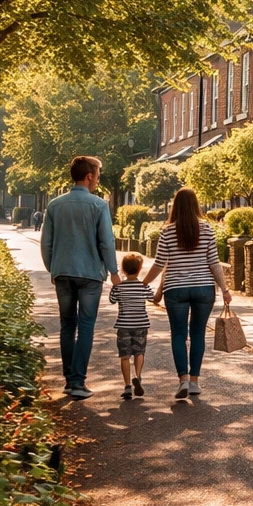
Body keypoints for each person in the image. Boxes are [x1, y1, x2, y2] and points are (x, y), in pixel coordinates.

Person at [40, 156, 119, 399]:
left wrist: (53, 267)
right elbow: (106, 242)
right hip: (90, 275)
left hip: (63, 272)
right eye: (97, 175)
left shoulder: (55, 205)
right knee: (85, 326)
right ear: (88, 176)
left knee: (67, 324)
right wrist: (114, 272)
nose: (97, 180)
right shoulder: (99, 205)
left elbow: (46, 242)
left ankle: (68, 379)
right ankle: (77, 381)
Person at [142, 187, 230, 400]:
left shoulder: (167, 231)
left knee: (179, 335)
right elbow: (214, 263)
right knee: (198, 334)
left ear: (176, 206)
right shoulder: (207, 229)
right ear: (195, 205)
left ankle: (182, 380)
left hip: (176, 290)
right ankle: (194, 382)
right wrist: (225, 289)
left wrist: (142, 283)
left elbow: (159, 264)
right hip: (204, 289)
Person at [111, 253, 152, 399]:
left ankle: (128, 386)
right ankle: (138, 376)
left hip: (123, 325)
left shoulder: (119, 287)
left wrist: (115, 286)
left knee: (125, 356)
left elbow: (112, 300)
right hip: (141, 324)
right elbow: (152, 297)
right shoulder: (143, 286)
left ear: (123, 269)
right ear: (140, 269)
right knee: (139, 352)